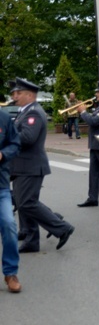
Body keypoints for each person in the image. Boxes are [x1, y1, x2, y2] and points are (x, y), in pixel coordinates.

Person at [10, 78, 75, 253]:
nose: (15, 96)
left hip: (30, 166)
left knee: (26, 203)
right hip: (22, 165)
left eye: (19, 93)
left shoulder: (33, 113)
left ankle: (61, 227)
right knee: (24, 202)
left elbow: (28, 138)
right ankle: (31, 239)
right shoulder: (25, 111)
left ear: (30, 95)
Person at [1, 103, 22, 292]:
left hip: (0, 186)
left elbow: (15, 144)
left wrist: (2, 154)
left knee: (8, 224)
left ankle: (10, 272)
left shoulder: (4, 118)